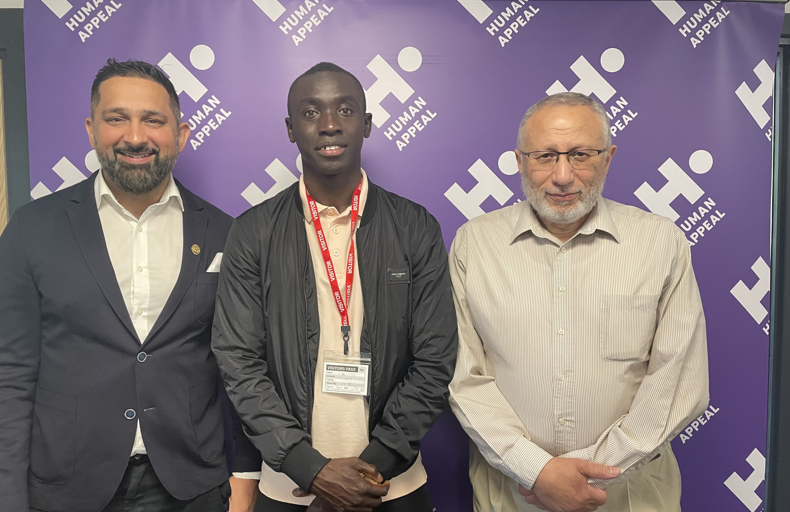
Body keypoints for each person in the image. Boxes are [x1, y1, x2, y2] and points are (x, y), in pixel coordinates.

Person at [0, 59, 259, 512]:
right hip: (66, 487)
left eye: (153, 121)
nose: (135, 137)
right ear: (91, 129)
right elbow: (11, 375)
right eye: (116, 119)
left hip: (192, 487)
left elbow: (243, 366)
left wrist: (246, 476)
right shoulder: (31, 229)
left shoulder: (225, 233)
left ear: (180, 135)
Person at [211, 62, 458, 512]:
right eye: (310, 113)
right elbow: (238, 362)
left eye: (344, 109)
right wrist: (312, 470)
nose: (328, 124)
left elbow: (436, 361)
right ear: (290, 129)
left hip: (394, 487)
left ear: (366, 124)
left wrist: (368, 470)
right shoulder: (253, 232)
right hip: (290, 489)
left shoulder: (414, 227)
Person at [448, 92, 709, 512]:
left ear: (608, 158)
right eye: (545, 156)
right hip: (513, 494)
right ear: (519, 161)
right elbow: (465, 377)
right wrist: (536, 470)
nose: (563, 175)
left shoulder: (661, 243)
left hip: (631, 495)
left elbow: (679, 381)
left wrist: (583, 474)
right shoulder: (474, 244)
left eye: (581, 155)